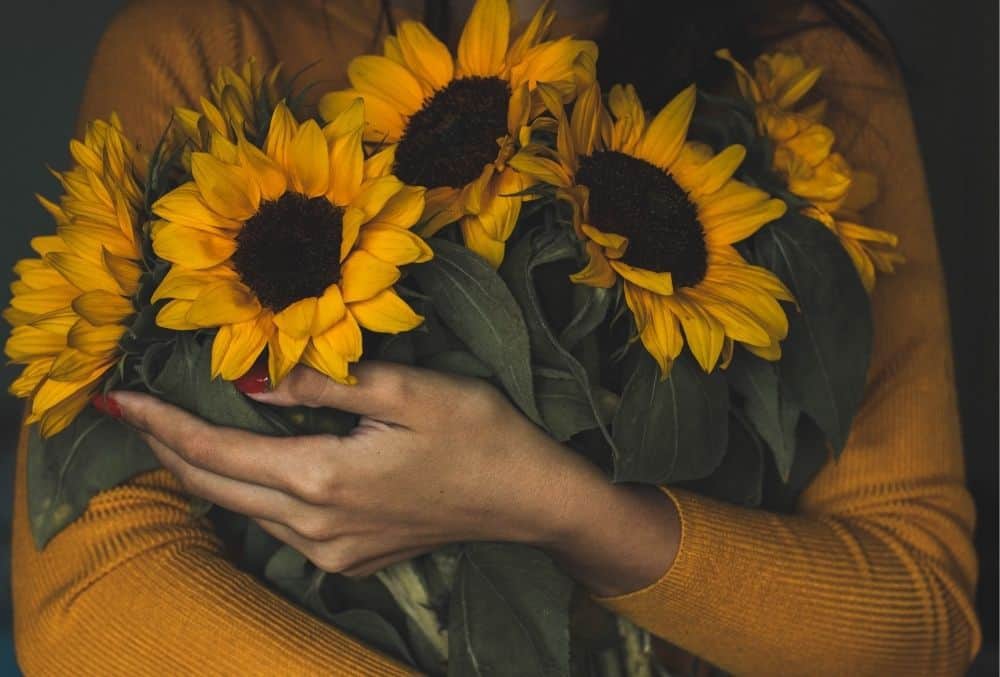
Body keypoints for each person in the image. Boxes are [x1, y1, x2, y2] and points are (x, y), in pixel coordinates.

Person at [11, 1, 980, 674]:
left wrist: (553, 504)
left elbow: (916, 618)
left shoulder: (806, 72)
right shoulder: (206, 45)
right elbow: (94, 592)